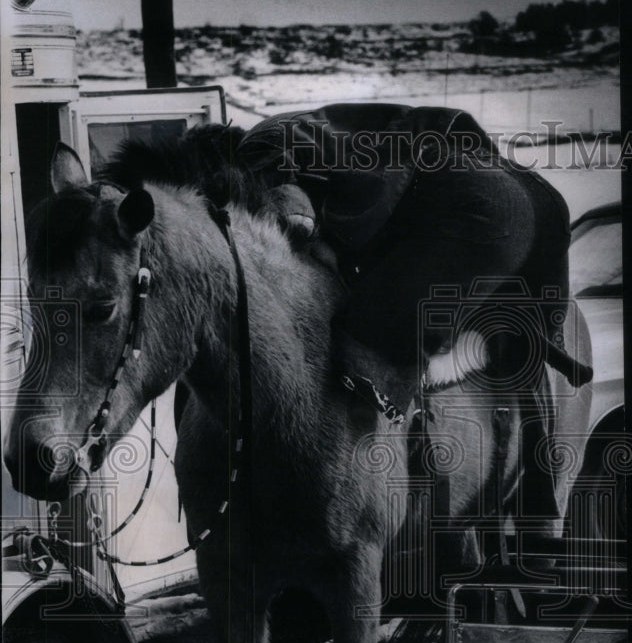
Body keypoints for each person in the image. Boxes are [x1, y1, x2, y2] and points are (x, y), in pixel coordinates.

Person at [236, 104, 591, 423]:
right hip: (537, 200)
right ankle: (511, 348)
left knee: (368, 339)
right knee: (501, 324)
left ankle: (397, 392)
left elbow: (295, 219)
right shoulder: (303, 129)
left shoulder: (256, 152)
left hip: (475, 205)